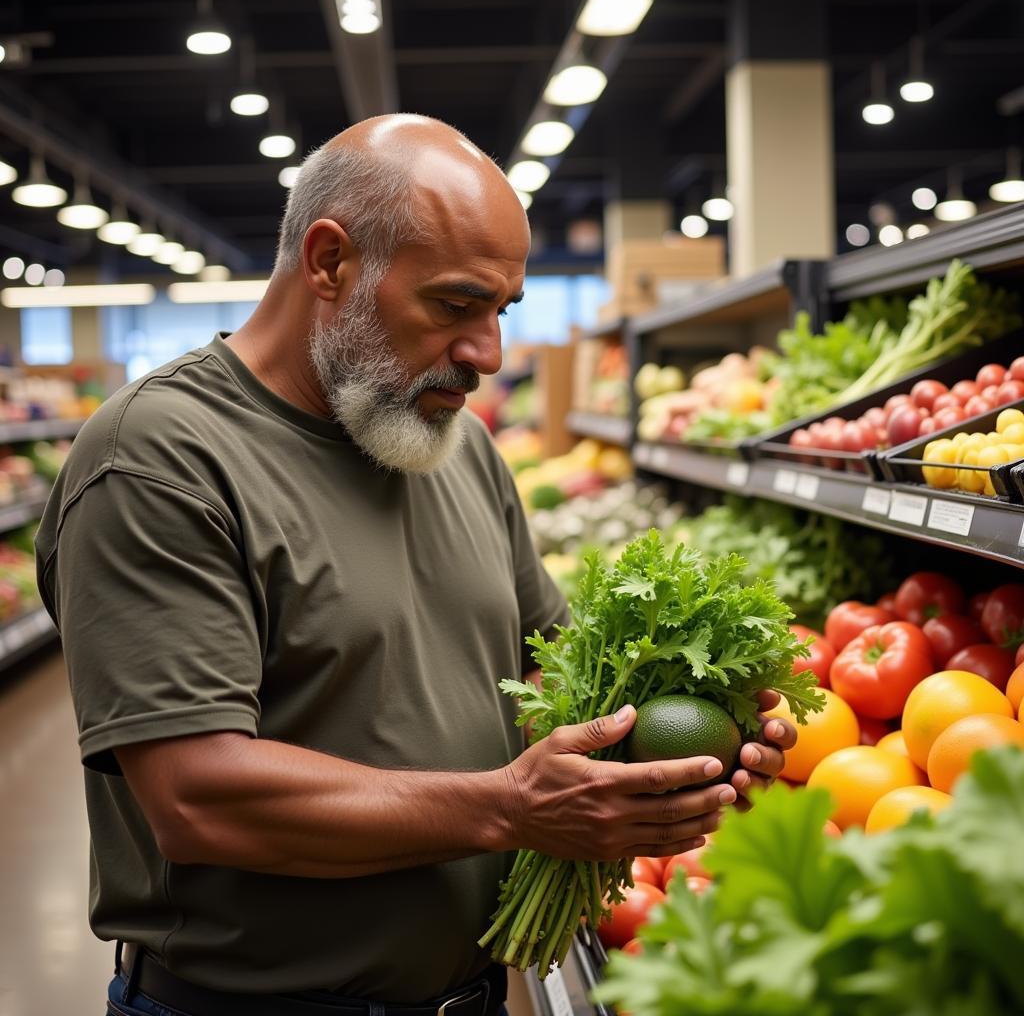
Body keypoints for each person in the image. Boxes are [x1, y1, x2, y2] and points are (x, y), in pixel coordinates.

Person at [36, 115, 796, 1016]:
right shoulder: (158, 458)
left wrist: (682, 754)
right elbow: (199, 798)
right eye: (454, 305)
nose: (490, 355)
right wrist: (511, 807)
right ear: (329, 263)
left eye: (501, 311)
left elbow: (545, 672)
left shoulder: (456, 449)